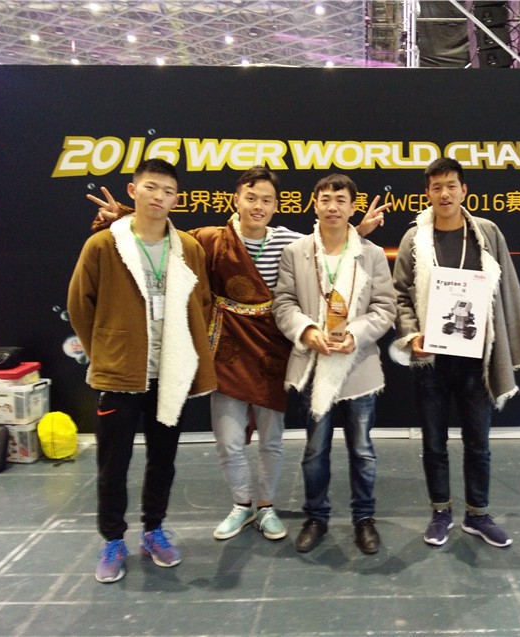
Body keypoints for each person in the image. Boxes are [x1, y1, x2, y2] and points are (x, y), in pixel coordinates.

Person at [88, 167, 387, 544]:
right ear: (236, 200)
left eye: (266, 200)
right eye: (251, 197)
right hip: (227, 349)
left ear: (277, 206)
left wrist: (359, 231)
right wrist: (123, 216)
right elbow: (167, 236)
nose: (258, 206)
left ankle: (267, 506)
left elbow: (330, 246)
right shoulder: (210, 239)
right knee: (228, 440)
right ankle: (241, 504)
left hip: (271, 350)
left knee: (272, 440)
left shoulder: (290, 242)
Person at [68, 158, 217, 583]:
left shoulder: (188, 247)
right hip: (120, 375)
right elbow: (80, 304)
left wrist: (186, 348)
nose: (159, 197)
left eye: (168, 191)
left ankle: (154, 530)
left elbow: (203, 302)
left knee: (163, 460)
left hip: (169, 373)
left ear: (176, 199)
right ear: (133, 191)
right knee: (112, 465)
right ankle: (113, 540)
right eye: (151, 187)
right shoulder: (104, 244)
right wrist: (106, 351)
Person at [391, 157, 520, 549]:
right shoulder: (414, 239)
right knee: (433, 442)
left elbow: (507, 289)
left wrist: (500, 332)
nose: (444, 194)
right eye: (436, 187)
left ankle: (478, 514)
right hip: (431, 361)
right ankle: (440, 512)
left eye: (451, 186)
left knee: (478, 442)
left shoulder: (486, 233)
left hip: (477, 359)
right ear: (427, 193)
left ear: (464, 190)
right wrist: (411, 335)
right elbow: (399, 294)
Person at [272, 174, 396, 555]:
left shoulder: (372, 254)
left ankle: (364, 518)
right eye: (325, 199)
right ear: (315, 204)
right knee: (315, 450)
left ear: (352, 208)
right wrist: (307, 331)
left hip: (357, 365)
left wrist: (356, 334)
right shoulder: (296, 252)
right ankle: (316, 517)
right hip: (314, 363)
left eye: (341, 200)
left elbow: (385, 308)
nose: (332, 207)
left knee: (363, 450)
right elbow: (283, 303)